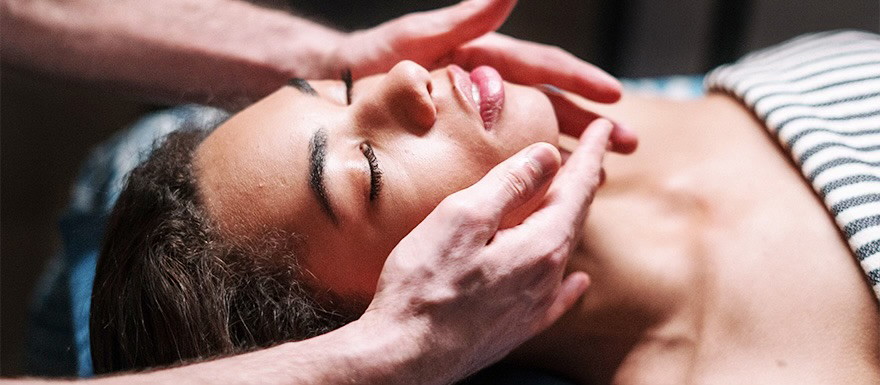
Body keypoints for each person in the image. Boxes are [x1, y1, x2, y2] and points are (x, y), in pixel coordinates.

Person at [92, 30, 880, 384]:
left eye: (341, 89)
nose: (404, 79)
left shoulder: (671, 109)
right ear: (406, 317)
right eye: (366, 170)